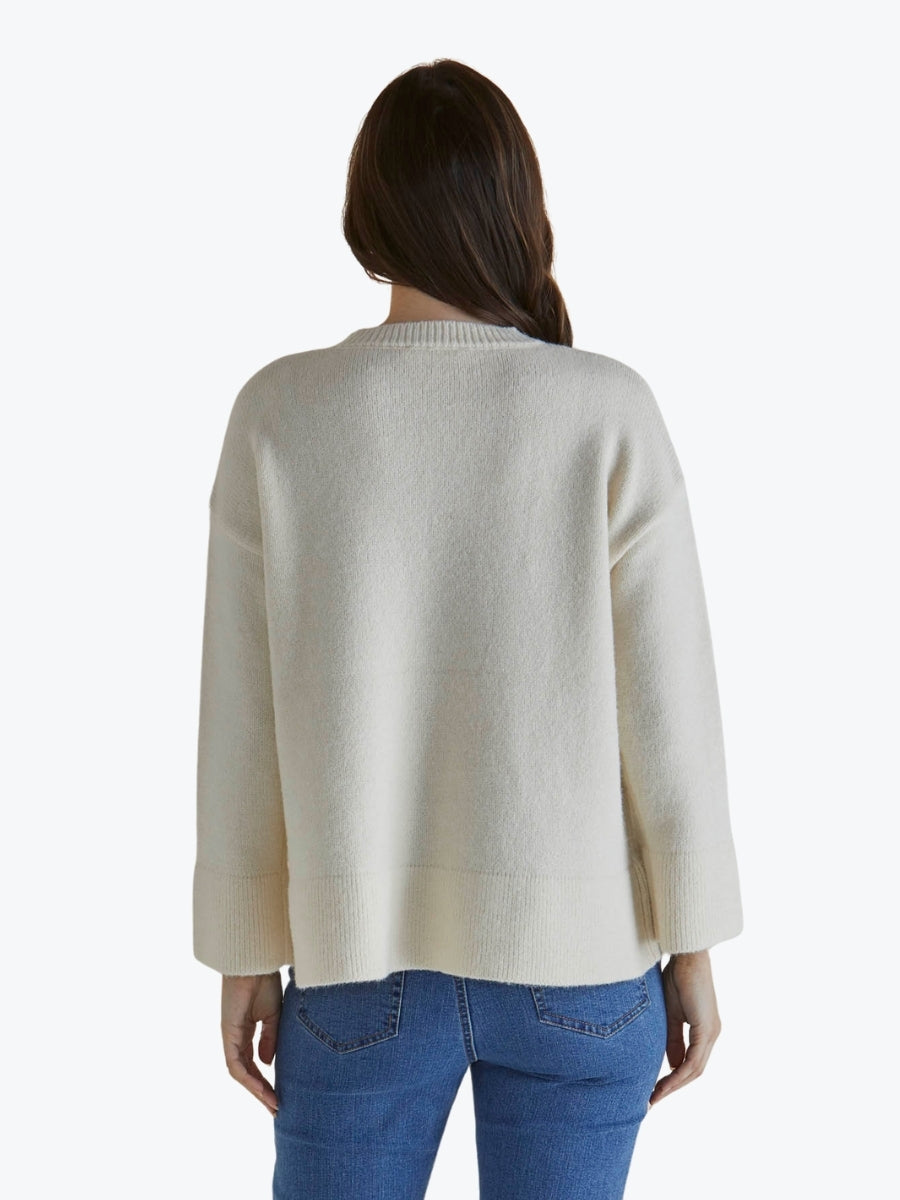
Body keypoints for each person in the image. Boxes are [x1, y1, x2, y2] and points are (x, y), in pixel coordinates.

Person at [193, 58, 743, 1199]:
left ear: (367, 215)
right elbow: (670, 708)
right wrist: (693, 943)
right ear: (518, 209)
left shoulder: (278, 415)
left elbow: (240, 715)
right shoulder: (607, 410)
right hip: (584, 967)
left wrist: (245, 948)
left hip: (357, 964)